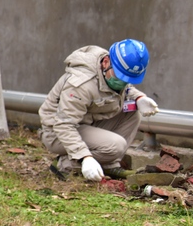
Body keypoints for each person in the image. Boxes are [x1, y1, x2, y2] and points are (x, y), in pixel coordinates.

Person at [39, 39, 159, 182]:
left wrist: (139, 97)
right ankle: (66, 165)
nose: (122, 82)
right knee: (116, 145)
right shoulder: (81, 85)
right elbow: (63, 125)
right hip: (57, 133)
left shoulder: (109, 70)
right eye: (120, 77)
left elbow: (123, 88)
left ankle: (108, 165)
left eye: (127, 79)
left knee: (132, 113)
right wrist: (86, 157)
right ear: (106, 62)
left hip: (84, 123)